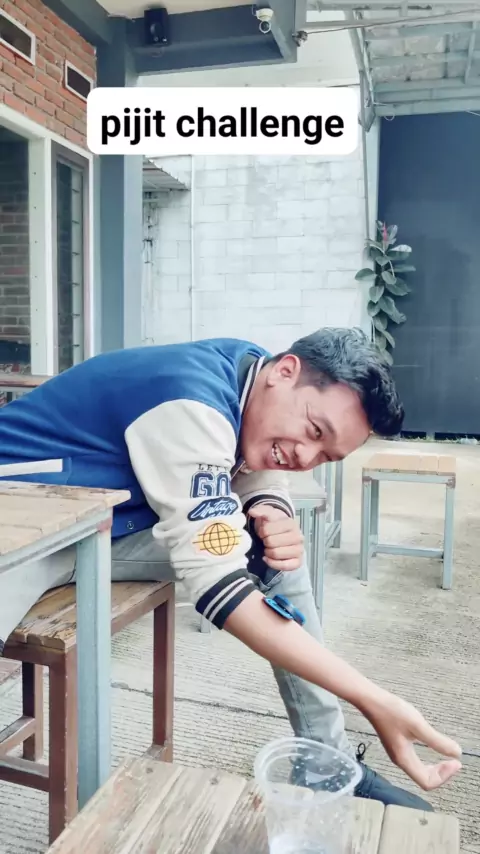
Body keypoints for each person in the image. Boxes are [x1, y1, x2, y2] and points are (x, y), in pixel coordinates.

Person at [0, 328, 461, 810]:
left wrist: (271, 507)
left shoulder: (252, 372)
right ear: (287, 371)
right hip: (22, 519)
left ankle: (326, 763)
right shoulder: (189, 401)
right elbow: (219, 588)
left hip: (98, 526)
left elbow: (252, 458)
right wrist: (373, 699)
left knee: (272, 551)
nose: (306, 456)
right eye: (314, 431)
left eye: (325, 455)